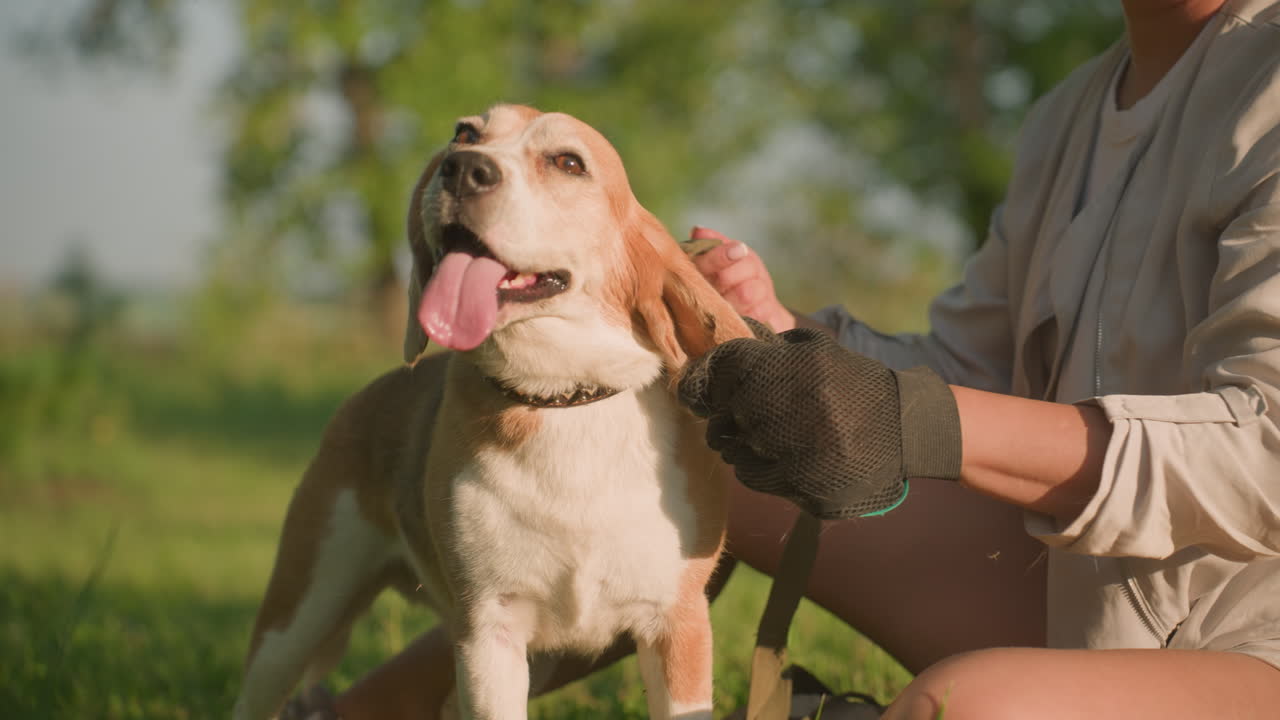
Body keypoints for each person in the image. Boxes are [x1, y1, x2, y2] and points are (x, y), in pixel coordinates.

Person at [302, 0, 1280, 717]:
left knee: (970, 709)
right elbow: (964, 365)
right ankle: (357, 717)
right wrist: (782, 336)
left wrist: (902, 421)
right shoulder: (1071, 113)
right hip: (1077, 584)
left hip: (1252, 650)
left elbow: (1264, 452)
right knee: (703, 446)